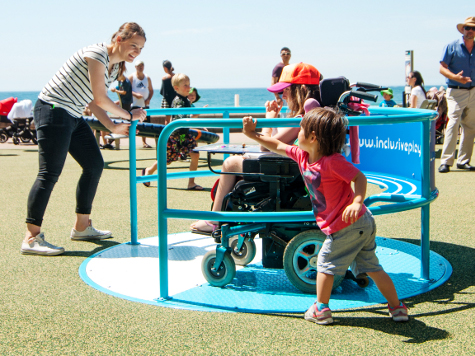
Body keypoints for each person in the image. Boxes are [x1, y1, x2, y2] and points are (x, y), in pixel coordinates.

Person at [242, 107, 409, 325]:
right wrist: (251, 134)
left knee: (325, 263)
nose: (297, 132)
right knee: (372, 267)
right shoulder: (302, 156)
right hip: (359, 224)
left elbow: (359, 178)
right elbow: (277, 145)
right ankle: (397, 307)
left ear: (312, 137)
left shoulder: (332, 161)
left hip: (347, 224)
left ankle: (321, 309)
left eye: (300, 129)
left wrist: (357, 201)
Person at [21, 22, 147, 256]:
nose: (136, 52)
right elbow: (100, 98)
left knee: (94, 164)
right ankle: (31, 238)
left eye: (140, 48)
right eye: (133, 45)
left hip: (72, 114)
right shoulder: (96, 53)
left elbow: (91, 100)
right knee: (49, 173)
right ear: (119, 39)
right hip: (53, 109)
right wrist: (129, 114)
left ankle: (81, 227)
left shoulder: (114, 66)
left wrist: (111, 126)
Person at [190, 62, 321, 233]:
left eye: (286, 90)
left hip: (285, 171)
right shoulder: (315, 114)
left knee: (230, 164)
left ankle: (215, 220)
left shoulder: (300, 118)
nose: (283, 95)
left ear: (301, 90)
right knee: (241, 162)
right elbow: (275, 142)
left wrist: (268, 118)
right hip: (291, 168)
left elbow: (266, 147)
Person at [142, 73, 202, 190]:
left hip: (184, 134)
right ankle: (148, 170)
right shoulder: (178, 101)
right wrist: (190, 115)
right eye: (185, 85)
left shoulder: (186, 100)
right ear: (176, 88)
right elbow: (180, 114)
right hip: (176, 135)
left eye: (189, 85)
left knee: (195, 155)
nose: (188, 87)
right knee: (167, 159)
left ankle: (191, 183)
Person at [438, 16, 475, 173]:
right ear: (462, 30)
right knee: (453, 123)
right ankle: (446, 161)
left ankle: (464, 161)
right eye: (467, 28)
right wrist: (455, 77)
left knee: (470, 126)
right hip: (455, 91)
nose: (470, 30)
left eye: (473, 28)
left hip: (473, 91)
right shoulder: (451, 46)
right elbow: (441, 68)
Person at [129, 60, 154, 148]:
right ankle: (132, 142)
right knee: (134, 124)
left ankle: (144, 142)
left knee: (146, 124)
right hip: (134, 105)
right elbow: (127, 90)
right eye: (139, 66)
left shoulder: (147, 77)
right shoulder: (132, 77)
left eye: (142, 65)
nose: (140, 67)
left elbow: (151, 90)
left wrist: (148, 99)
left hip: (145, 105)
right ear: (135, 67)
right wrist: (136, 95)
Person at [160, 60, 177, 124]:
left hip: (167, 100)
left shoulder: (164, 78)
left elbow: (163, 91)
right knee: (175, 117)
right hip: (176, 99)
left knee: (167, 119)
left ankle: (168, 133)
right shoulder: (176, 77)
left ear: (165, 68)